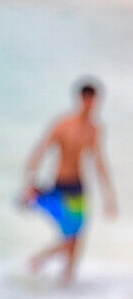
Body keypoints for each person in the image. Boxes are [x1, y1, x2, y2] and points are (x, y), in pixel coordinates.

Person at [21, 80, 118, 284]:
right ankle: (37, 261)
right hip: (59, 188)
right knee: (71, 240)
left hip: (78, 190)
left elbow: (100, 164)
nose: (91, 105)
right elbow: (39, 152)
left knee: (76, 242)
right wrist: (28, 184)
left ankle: (66, 284)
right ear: (81, 98)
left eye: (95, 101)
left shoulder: (94, 130)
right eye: (88, 100)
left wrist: (109, 196)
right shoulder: (63, 125)